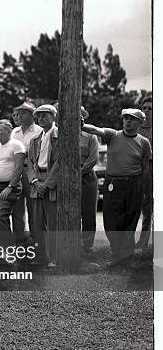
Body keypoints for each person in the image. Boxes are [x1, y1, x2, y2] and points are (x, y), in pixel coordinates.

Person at [82, 108, 151, 268]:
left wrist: (146, 190)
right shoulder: (113, 135)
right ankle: (117, 252)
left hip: (134, 184)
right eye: (126, 118)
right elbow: (95, 130)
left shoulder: (143, 142)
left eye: (132, 119)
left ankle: (125, 257)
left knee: (130, 219)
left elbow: (145, 168)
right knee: (111, 220)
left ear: (140, 122)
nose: (128, 121)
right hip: (113, 183)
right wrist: (81, 124)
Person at [26, 104, 59, 267]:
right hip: (37, 181)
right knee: (37, 222)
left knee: (52, 222)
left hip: (52, 180)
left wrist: (47, 184)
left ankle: (54, 258)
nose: (41, 119)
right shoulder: (35, 140)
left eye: (45, 115)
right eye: (39, 116)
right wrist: (35, 181)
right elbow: (30, 162)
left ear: (54, 117)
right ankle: (41, 257)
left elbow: (60, 163)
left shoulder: (60, 137)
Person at [0, 119, 25, 248]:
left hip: (9, 187)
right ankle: (0, 251)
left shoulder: (16, 145)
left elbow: (19, 168)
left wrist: (10, 187)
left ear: (9, 131)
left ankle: (8, 249)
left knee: (0, 217)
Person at [11, 101, 43, 244]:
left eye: (24, 113)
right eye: (19, 113)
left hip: (32, 170)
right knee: (17, 206)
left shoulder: (39, 131)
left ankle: (36, 238)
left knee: (33, 206)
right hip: (16, 170)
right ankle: (19, 237)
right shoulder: (14, 131)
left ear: (32, 115)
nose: (20, 116)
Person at [78, 107, 99, 257]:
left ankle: (88, 245)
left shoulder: (90, 136)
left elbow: (93, 159)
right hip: (66, 178)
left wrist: (78, 173)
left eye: (81, 116)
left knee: (88, 212)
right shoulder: (61, 135)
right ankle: (71, 243)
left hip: (86, 177)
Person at [136, 96, 153, 250]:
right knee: (145, 209)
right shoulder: (137, 130)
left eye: (150, 108)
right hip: (141, 173)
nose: (147, 110)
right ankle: (143, 242)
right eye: (144, 108)